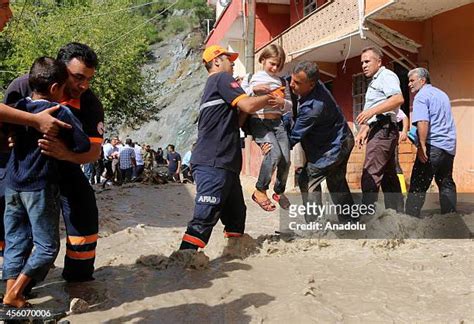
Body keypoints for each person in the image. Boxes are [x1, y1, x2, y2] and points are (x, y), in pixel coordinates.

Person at [3, 42, 104, 283]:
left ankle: (79, 284)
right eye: (78, 77)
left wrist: (65, 154)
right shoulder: (23, 85)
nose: (83, 85)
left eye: (89, 79)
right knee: (16, 227)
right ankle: (15, 287)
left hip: (64, 167)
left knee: (85, 211)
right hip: (22, 170)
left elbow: (93, 152)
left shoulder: (89, 103)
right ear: (59, 71)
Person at [179, 45, 276, 250]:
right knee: (203, 218)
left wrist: (249, 94)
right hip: (213, 163)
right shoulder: (221, 78)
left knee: (236, 217)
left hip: (227, 165)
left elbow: (239, 120)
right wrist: (271, 97)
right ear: (216, 61)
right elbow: (249, 106)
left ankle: (232, 259)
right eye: (228, 59)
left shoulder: (214, 87)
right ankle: (182, 264)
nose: (232, 64)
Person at [288, 61, 355, 223]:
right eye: (292, 79)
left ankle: (314, 224)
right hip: (341, 139)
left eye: (297, 83)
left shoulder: (313, 108)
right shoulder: (311, 83)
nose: (292, 85)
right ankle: (351, 222)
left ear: (311, 85)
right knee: (336, 182)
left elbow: (293, 138)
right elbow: (286, 82)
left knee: (307, 178)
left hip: (334, 147)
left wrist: (273, 150)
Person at [240, 44, 292, 211]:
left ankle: (279, 191)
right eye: (272, 63)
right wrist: (253, 89)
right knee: (274, 153)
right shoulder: (252, 78)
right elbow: (241, 97)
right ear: (263, 60)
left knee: (286, 159)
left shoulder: (283, 81)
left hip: (278, 124)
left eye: (278, 65)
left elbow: (290, 105)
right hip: (259, 121)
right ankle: (260, 190)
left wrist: (282, 102)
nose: (275, 68)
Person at [355, 46, 404, 212]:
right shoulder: (375, 81)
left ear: (379, 61)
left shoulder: (386, 76)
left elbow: (398, 99)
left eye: (367, 61)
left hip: (384, 129)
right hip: (380, 128)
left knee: (370, 174)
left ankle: (367, 218)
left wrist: (371, 112)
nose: (364, 65)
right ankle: (397, 216)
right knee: (389, 176)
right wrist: (365, 128)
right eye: (362, 62)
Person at [405, 67, 457, 217]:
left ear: (422, 80)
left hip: (432, 146)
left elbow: (423, 121)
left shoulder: (421, 96)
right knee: (446, 182)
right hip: (448, 147)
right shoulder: (443, 95)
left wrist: (421, 146)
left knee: (418, 185)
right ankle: (450, 218)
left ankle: (410, 220)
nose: (409, 84)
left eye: (412, 81)